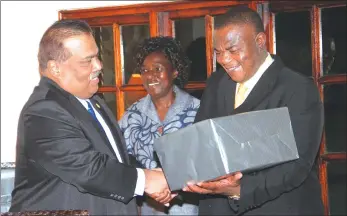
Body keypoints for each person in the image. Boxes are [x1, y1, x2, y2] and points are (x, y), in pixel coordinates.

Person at [10, 20, 175, 215]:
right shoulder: (43, 111)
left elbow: (114, 157)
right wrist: (145, 180)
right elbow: (88, 169)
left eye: (96, 56)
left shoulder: (93, 101)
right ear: (55, 68)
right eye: (87, 60)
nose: (98, 65)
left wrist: (154, 174)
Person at [183, 5, 324, 215]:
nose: (224, 60)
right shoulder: (215, 83)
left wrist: (239, 189)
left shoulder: (297, 88)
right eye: (218, 52)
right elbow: (202, 141)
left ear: (259, 41)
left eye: (232, 50)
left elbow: (298, 165)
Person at [119, 36, 200, 215]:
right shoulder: (132, 115)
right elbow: (121, 160)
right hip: (145, 208)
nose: (150, 75)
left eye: (158, 69)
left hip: (189, 208)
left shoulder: (197, 111)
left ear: (175, 72)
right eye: (145, 70)